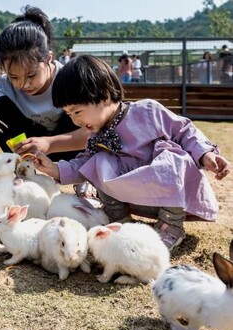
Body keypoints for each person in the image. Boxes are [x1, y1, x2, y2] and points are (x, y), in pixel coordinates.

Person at [31, 55, 230, 251]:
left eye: (77, 112)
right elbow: (83, 165)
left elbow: (185, 131)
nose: (75, 121)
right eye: (69, 115)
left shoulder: (147, 111)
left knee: (173, 158)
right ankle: (119, 220)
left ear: (104, 96)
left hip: (170, 199)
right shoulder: (96, 135)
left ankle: (171, 227)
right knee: (99, 161)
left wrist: (205, 154)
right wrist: (55, 169)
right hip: (134, 198)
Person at [0, 6, 89, 162]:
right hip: (30, 150)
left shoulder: (70, 79)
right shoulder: (4, 86)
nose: (24, 84)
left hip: (70, 148)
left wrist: (49, 143)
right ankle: (22, 168)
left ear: (49, 58)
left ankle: (81, 170)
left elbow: (94, 131)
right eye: (14, 76)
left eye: (31, 75)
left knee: (84, 111)